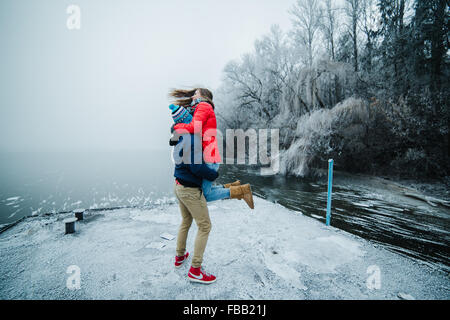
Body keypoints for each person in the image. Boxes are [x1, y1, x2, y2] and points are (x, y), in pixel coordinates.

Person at [169, 88, 254, 208]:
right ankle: (233, 186)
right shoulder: (199, 108)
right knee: (204, 190)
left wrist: (178, 127)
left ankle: (241, 191)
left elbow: (194, 127)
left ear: (203, 96)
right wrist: (175, 128)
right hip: (208, 155)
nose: (192, 96)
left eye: (195, 94)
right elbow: (187, 121)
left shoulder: (203, 106)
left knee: (205, 196)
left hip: (209, 157)